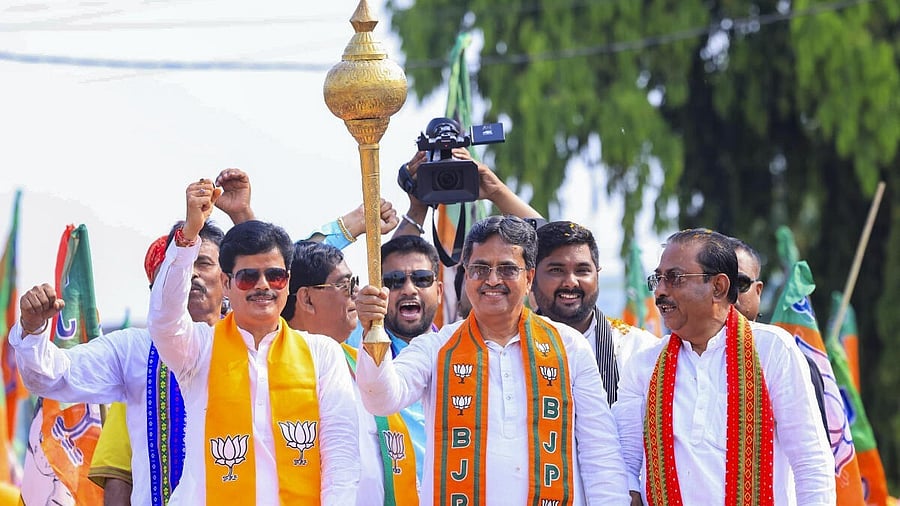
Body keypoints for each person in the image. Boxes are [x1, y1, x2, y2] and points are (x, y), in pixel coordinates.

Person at [354, 214, 630, 505]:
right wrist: (373, 328)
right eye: (480, 268)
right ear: (467, 275)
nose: (493, 280)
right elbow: (381, 399)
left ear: (530, 278)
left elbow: (600, 452)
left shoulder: (568, 346)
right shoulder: (437, 347)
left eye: (508, 269)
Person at [11, 188, 233, 506]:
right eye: (183, 264)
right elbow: (51, 378)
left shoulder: (251, 347)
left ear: (227, 278)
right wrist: (33, 331)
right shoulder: (135, 350)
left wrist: (243, 215)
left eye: (204, 262)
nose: (193, 273)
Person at [146, 178, 358, 504]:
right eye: (248, 277)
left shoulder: (322, 353)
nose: (263, 286)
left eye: (275, 276)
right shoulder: (198, 348)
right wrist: (189, 235)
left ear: (287, 284)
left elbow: (341, 453)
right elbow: (163, 319)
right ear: (228, 284)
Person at [613, 228, 835, 505]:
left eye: (674, 278)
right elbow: (624, 462)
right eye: (658, 279)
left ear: (718, 286)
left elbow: (811, 459)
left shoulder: (772, 348)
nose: (660, 291)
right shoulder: (645, 363)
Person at [282, 241, 418, 506]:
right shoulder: (275, 368)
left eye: (354, 283)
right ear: (307, 299)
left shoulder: (361, 362)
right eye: (345, 285)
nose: (357, 293)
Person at [532, 220, 658, 405]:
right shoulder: (507, 347)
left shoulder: (640, 349)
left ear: (597, 275)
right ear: (530, 278)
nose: (571, 282)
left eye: (582, 270)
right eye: (556, 270)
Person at [730, 237, 828, 431]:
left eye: (740, 283)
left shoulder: (787, 358)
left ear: (758, 291)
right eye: (718, 284)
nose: (729, 293)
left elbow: (815, 457)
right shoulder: (683, 362)